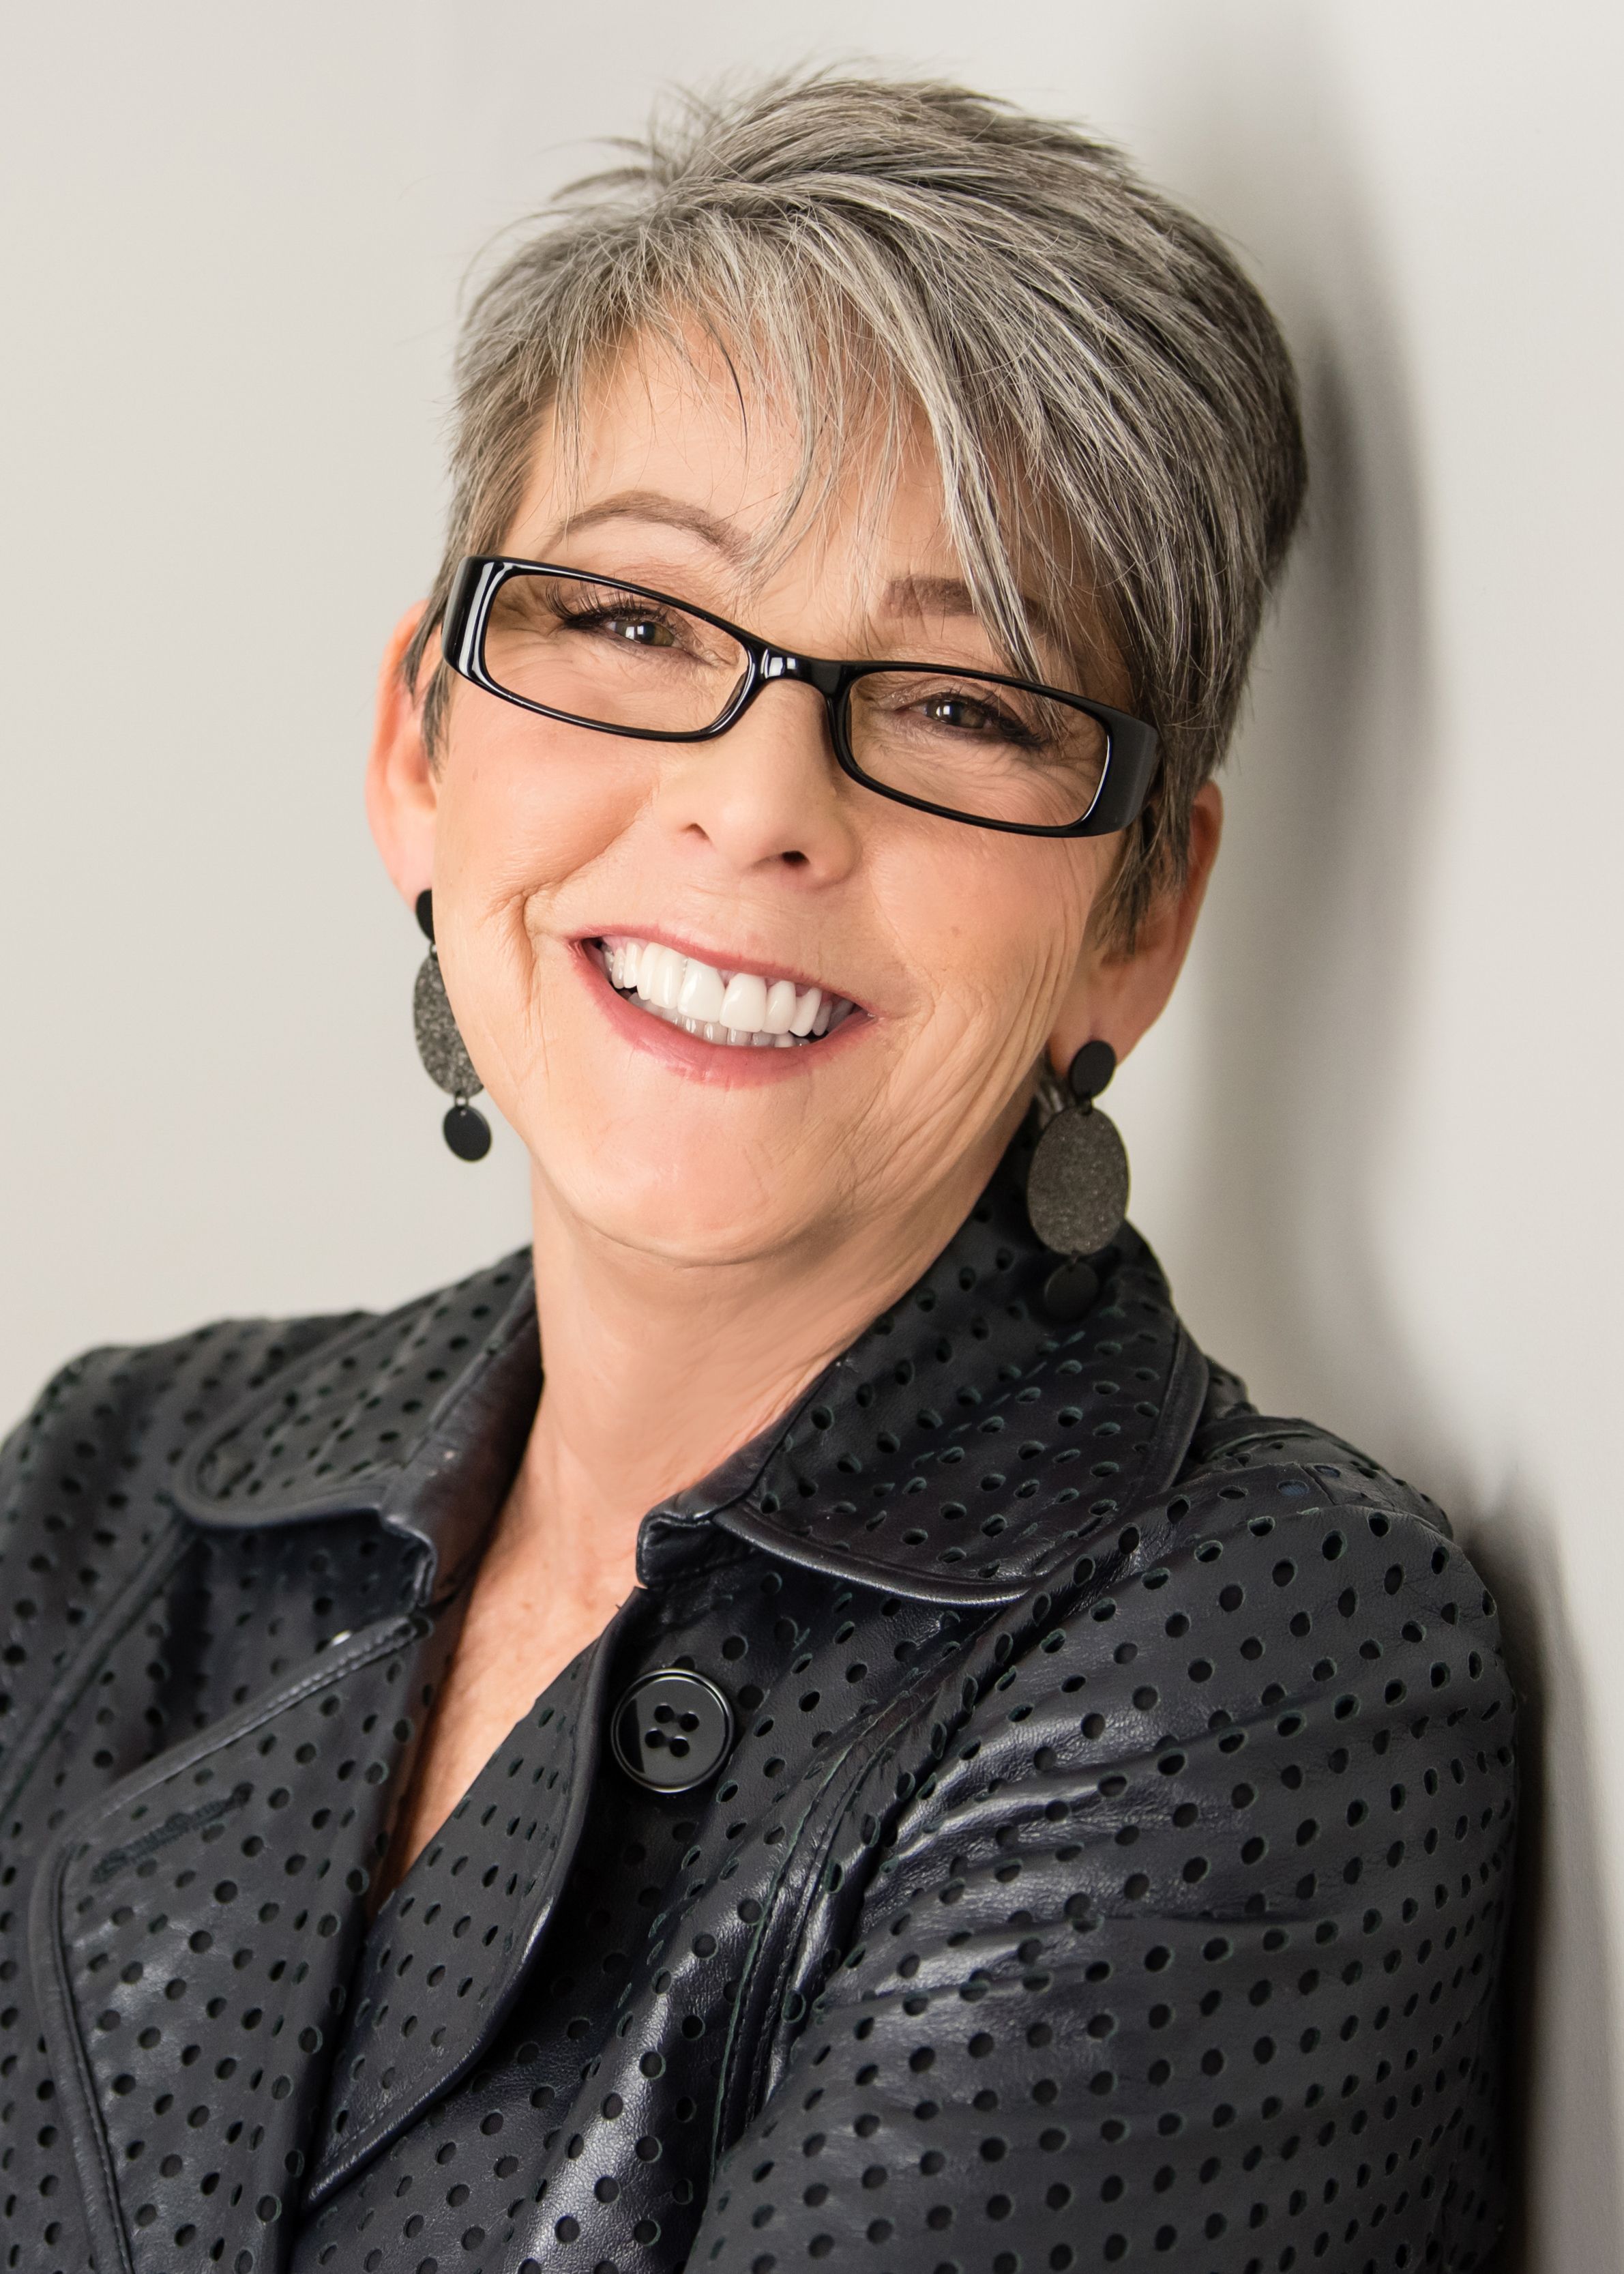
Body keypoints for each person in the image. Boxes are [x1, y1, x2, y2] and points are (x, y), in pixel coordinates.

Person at [0, 73, 1514, 2274]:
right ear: (420, 743)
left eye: (966, 705)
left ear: (1143, 915)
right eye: (632, 623)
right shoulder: (110, 1480)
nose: (757, 805)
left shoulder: (1258, 1669)